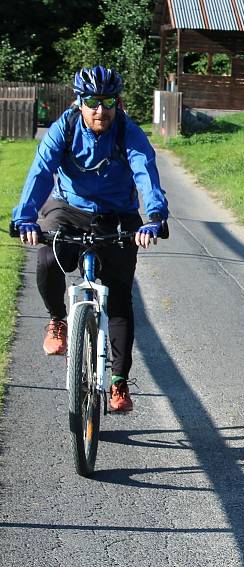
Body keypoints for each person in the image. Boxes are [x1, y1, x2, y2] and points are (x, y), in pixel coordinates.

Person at [11, 65, 169, 413]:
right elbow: (41, 170)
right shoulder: (64, 128)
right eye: (92, 102)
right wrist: (25, 217)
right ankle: (57, 320)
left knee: (120, 299)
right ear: (79, 102)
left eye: (108, 102)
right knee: (47, 257)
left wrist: (154, 217)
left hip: (117, 214)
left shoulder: (128, 131)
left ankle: (118, 382)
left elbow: (146, 171)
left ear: (118, 102)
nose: (101, 110)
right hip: (69, 207)